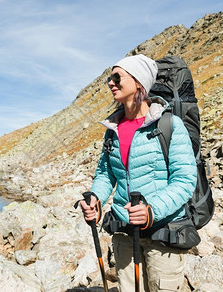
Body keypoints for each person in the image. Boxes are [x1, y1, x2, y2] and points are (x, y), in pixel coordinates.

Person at [79, 54, 197, 292]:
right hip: (124, 232)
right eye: (109, 78)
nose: (110, 83)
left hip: (163, 232)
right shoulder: (113, 129)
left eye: (117, 77)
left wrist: (150, 210)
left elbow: (184, 180)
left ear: (138, 82)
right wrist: (96, 200)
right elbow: (106, 174)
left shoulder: (169, 125)